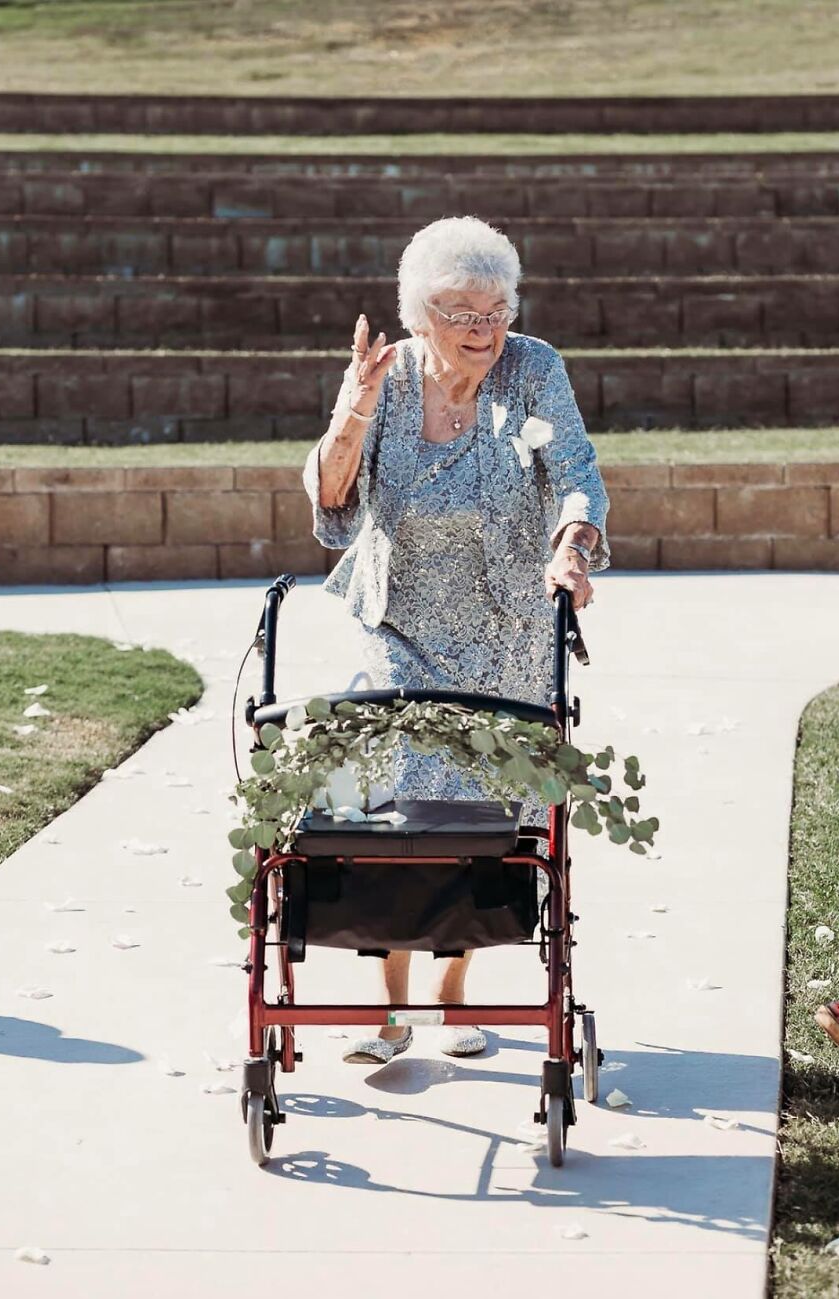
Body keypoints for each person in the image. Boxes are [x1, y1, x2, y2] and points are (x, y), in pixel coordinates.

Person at [303, 216, 610, 1065]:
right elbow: (333, 508)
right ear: (419, 315)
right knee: (399, 809)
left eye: (496, 309)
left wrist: (573, 548)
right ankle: (388, 1010)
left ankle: (453, 996)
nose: (484, 329)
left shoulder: (534, 367)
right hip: (397, 623)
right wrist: (352, 411)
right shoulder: (386, 376)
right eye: (462, 312)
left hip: (505, 624)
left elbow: (579, 475)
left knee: (481, 816)